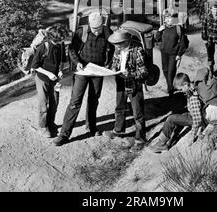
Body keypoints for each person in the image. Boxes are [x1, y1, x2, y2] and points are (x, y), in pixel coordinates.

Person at [54, 11, 113, 146]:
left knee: (94, 100)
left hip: (98, 71)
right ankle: (64, 134)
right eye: (94, 29)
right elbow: (72, 50)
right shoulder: (82, 32)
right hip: (82, 71)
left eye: (99, 29)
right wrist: (77, 62)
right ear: (90, 26)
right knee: (75, 101)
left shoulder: (107, 31)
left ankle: (91, 127)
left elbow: (114, 46)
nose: (97, 32)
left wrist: (108, 62)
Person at [105, 30, 148, 147]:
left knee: (137, 112)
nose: (115, 45)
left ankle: (140, 138)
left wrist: (130, 74)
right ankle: (118, 130)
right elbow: (114, 62)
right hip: (120, 82)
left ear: (125, 41)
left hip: (133, 84)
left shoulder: (137, 50)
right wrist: (114, 68)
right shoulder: (117, 49)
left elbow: (144, 72)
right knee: (119, 108)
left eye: (117, 43)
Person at [150, 72, 203, 153]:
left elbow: (197, 119)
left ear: (185, 84)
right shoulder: (191, 88)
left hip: (195, 119)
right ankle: (173, 138)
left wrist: (193, 135)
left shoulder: (193, 96)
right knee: (179, 115)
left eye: (181, 89)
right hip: (192, 114)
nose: (181, 91)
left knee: (171, 118)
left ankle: (161, 144)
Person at [31, 23, 67, 138]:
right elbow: (35, 65)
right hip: (42, 79)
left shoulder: (60, 45)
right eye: (60, 41)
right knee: (43, 104)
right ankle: (43, 127)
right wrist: (48, 73)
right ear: (53, 39)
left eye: (62, 40)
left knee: (54, 103)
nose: (62, 42)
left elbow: (61, 61)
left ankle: (51, 124)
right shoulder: (44, 47)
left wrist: (60, 70)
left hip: (54, 79)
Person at [156, 9, 188, 95]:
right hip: (164, 53)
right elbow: (157, 39)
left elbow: (183, 43)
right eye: (165, 18)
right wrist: (159, 31)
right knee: (165, 70)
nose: (166, 20)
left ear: (174, 18)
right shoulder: (163, 27)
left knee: (171, 72)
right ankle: (170, 86)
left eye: (168, 18)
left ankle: (170, 90)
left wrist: (179, 54)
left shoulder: (178, 28)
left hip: (173, 54)